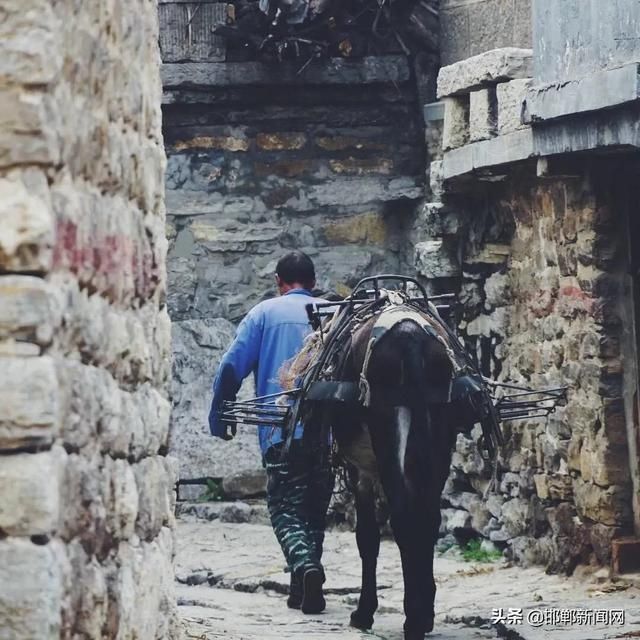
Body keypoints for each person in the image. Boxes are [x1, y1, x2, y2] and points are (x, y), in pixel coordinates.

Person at [208, 251, 334, 614]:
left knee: (284, 509)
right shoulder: (334, 315)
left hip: (281, 432)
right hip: (325, 435)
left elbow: (232, 365)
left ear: (279, 283)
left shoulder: (264, 313)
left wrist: (220, 415)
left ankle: (307, 568)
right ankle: (303, 590)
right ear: (313, 282)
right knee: (314, 510)